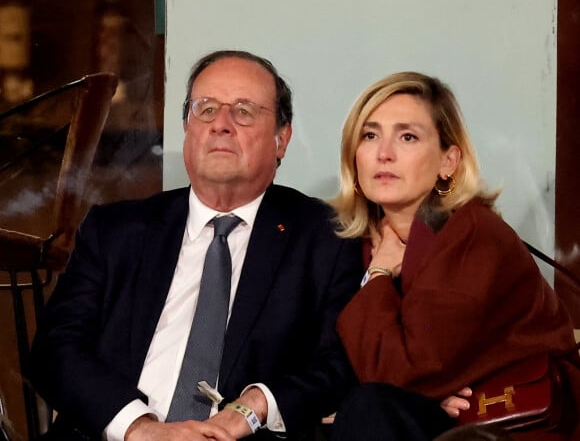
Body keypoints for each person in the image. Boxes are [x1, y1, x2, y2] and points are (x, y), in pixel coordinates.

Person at [29, 50, 364, 441]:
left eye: (243, 111)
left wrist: (253, 407)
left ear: (281, 140)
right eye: (205, 109)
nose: (221, 124)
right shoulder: (116, 230)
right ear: (187, 127)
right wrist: (139, 428)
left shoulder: (327, 238)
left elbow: (340, 363)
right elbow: (56, 350)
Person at [329, 71, 580, 440]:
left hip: (515, 428)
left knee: (369, 410)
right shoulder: (359, 242)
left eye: (408, 136)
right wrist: (427, 394)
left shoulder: (471, 234)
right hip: (440, 424)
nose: (384, 153)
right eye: (370, 135)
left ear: (448, 161)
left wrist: (380, 273)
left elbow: (403, 373)